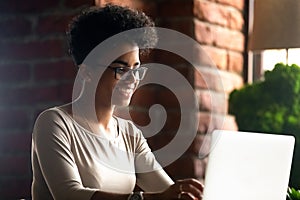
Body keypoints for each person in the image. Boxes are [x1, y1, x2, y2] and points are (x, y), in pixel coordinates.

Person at [31, 4, 204, 200]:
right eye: (121, 69)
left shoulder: (130, 135)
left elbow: (167, 193)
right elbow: (69, 195)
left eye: (136, 69)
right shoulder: (54, 123)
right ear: (87, 72)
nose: (133, 79)